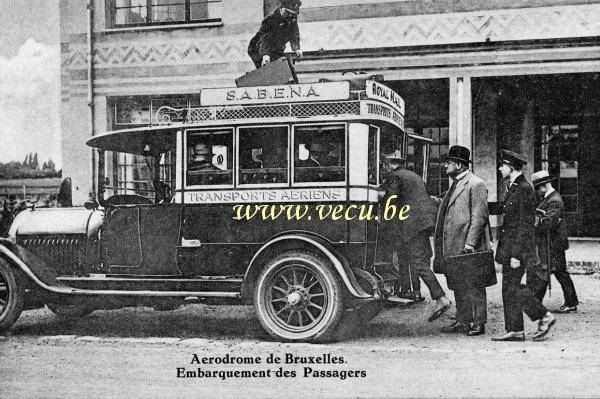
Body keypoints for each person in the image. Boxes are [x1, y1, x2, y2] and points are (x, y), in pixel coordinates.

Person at [381, 150, 452, 321]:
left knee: (418, 262)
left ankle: (441, 298)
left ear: (390, 164)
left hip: (413, 225)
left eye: (385, 164)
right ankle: (415, 292)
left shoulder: (395, 176)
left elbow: (392, 201)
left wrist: (382, 220)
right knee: (417, 258)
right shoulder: (412, 175)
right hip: (424, 223)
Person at [492, 150, 556, 342]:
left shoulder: (524, 189)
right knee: (509, 288)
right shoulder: (514, 187)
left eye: (502, 165)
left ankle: (543, 316)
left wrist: (516, 254)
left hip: (516, 250)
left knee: (514, 287)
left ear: (511, 167)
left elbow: (524, 225)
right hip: (510, 248)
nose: (499, 168)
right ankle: (515, 330)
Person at [434, 146, 491, 336]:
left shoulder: (476, 184)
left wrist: (470, 244)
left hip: (467, 247)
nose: (445, 166)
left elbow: (479, 217)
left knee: (474, 284)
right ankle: (463, 320)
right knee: (458, 283)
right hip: (453, 246)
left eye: (449, 163)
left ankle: (478, 322)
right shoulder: (455, 184)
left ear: (459, 164)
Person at [527, 170, 579, 312]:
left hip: (554, 243)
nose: (537, 192)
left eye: (537, 188)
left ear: (544, 186)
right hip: (551, 243)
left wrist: (537, 220)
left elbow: (548, 223)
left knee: (555, 271)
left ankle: (570, 302)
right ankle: (570, 301)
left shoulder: (554, 200)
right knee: (555, 271)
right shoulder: (548, 198)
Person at [248, 0, 303, 69]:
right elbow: (266, 38)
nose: (290, 15)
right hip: (258, 49)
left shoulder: (291, 18)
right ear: (281, 8)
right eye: (288, 12)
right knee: (268, 72)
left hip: (276, 49)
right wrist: (265, 54)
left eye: (293, 13)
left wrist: (296, 48)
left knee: (281, 71)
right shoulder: (270, 20)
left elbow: (294, 33)